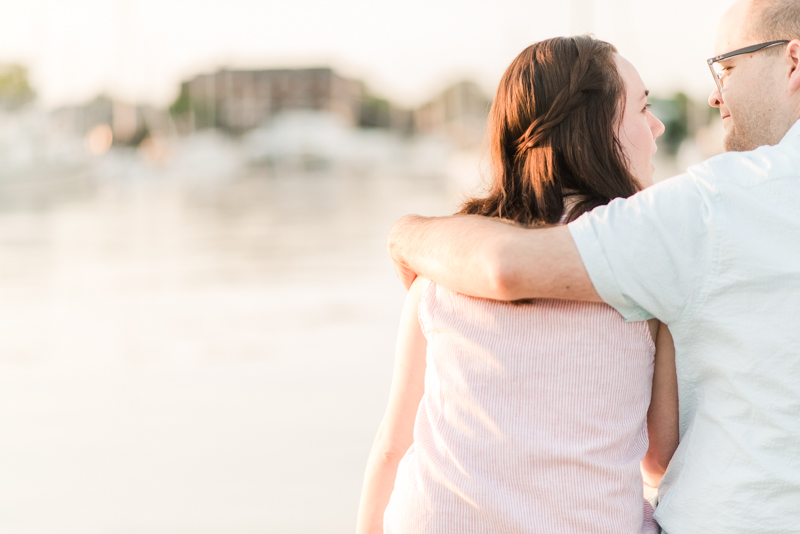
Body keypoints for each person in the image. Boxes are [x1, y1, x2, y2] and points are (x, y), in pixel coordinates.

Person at [385, 1, 800, 533]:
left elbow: (505, 266)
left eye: (729, 67)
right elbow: (658, 448)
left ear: (792, 62)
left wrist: (404, 237)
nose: (716, 93)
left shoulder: (714, 203)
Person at [356, 36, 679, 534]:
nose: (656, 125)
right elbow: (660, 459)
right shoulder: (647, 272)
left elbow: (391, 447)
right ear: (595, 127)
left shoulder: (443, 268)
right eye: (642, 108)